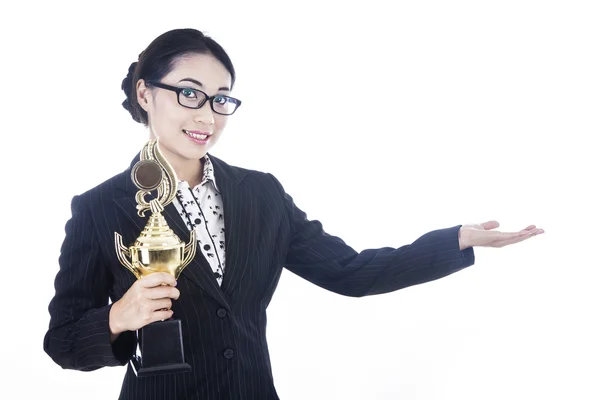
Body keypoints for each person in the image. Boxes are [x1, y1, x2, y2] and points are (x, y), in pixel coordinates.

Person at [43, 28, 544, 400]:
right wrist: (117, 316)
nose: (207, 115)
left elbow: (350, 272)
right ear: (146, 94)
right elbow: (63, 342)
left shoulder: (260, 195)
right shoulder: (99, 207)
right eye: (190, 93)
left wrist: (455, 240)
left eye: (221, 99)